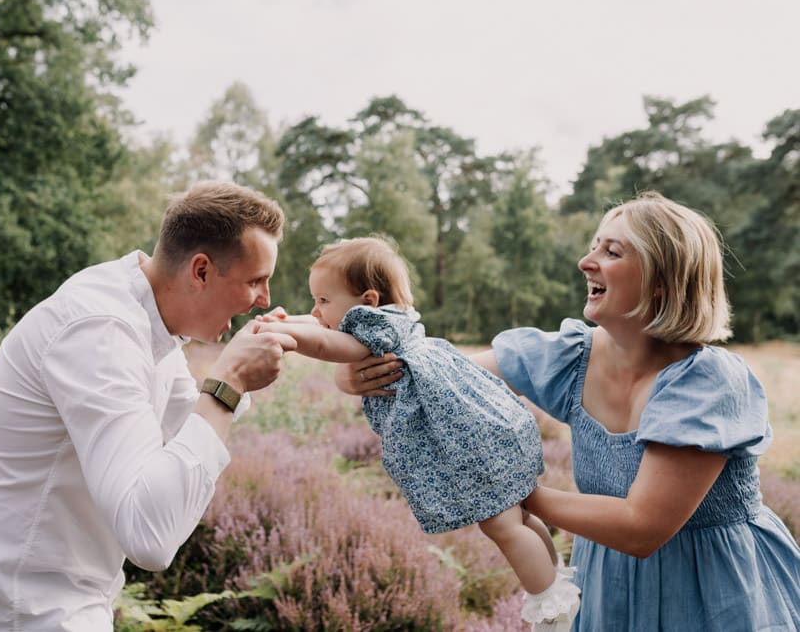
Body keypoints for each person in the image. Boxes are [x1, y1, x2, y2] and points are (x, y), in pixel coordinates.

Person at [341, 193, 800, 631]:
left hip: (715, 591)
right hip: (609, 584)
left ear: (663, 280)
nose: (586, 261)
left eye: (612, 251)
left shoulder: (710, 382)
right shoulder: (570, 357)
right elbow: (439, 375)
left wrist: (504, 492)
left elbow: (642, 529)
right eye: (592, 246)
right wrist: (357, 373)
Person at [0, 181, 298, 631]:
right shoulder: (101, 332)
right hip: (18, 610)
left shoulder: (148, 319)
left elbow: (190, 425)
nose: (266, 299)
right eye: (256, 280)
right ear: (200, 271)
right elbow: (151, 536)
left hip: (49, 601)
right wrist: (230, 381)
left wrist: (328, 341)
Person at [257, 237, 581, 630]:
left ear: (368, 300)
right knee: (520, 514)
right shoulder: (394, 318)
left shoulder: (370, 329)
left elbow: (326, 342)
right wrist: (289, 320)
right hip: (484, 431)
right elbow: (322, 324)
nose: (315, 310)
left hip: (466, 443)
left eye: (323, 300)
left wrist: (282, 337)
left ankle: (550, 604)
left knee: (502, 525)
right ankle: (557, 579)